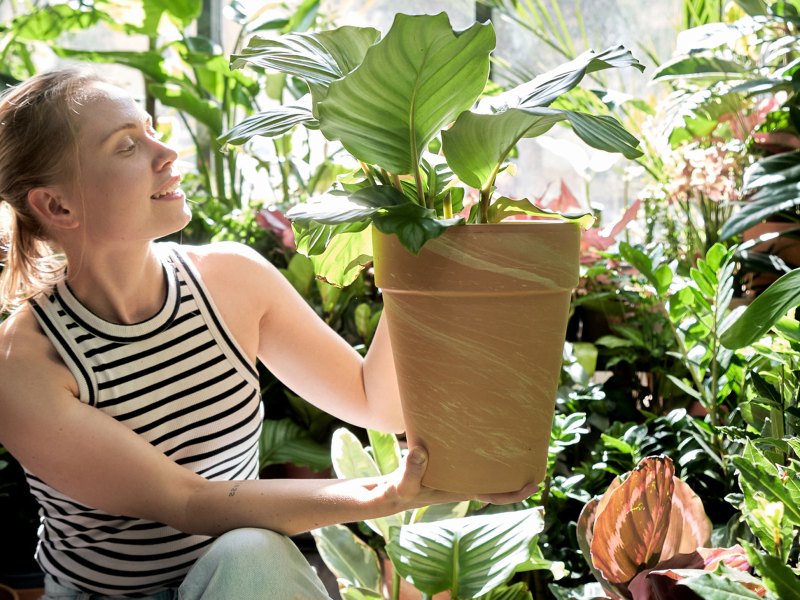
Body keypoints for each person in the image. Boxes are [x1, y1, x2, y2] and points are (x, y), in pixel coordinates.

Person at [0, 67, 535, 600]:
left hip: (238, 577)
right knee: (250, 550)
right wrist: (385, 495)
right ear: (57, 206)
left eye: (150, 129)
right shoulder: (24, 365)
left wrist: (415, 249)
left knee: (251, 553)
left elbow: (375, 403)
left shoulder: (231, 280)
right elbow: (187, 502)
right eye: (125, 146)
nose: (166, 154)